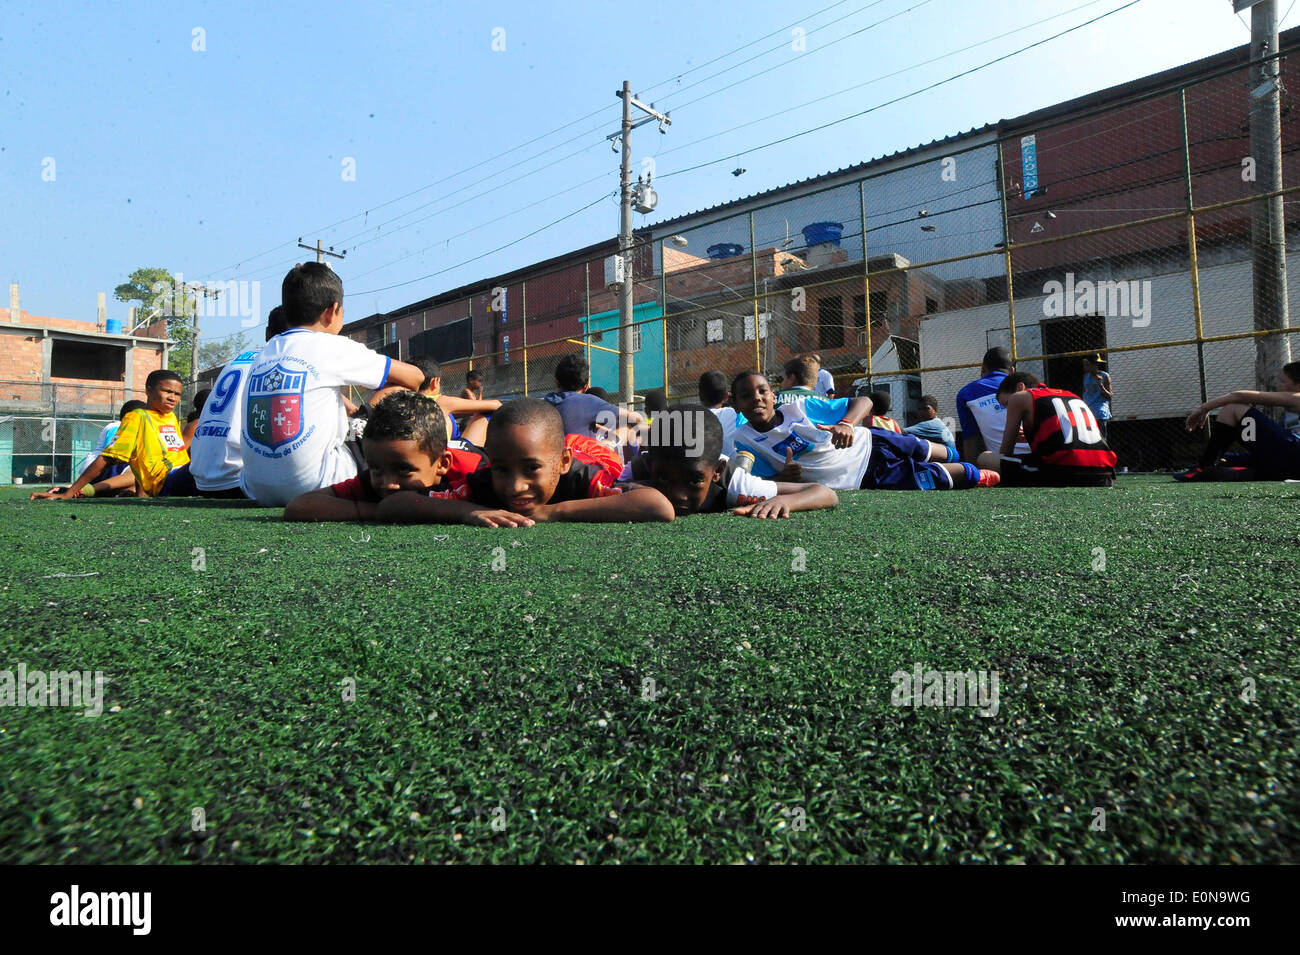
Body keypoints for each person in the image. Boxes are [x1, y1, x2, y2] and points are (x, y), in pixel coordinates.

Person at [239, 263, 425, 507]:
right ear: (332, 311)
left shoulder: (262, 354)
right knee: (393, 393)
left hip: (257, 490)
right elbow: (415, 378)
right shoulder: (331, 346)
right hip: (319, 485)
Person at [376, 398, 674, 525]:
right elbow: (392, 504)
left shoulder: (584, 478)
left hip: (594, 452)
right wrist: (467, 512)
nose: (516, 486)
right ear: (490, 461)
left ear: (563, 463)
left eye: (531, 469)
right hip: (558, 449)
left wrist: (553, 512)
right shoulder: (483, 483)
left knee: (610, 447)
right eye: (502, 469)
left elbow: (658, 506)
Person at [731, 371, 995, 491]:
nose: (756, 398)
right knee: (955, 475)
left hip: (872, 441)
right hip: (861, 475)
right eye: (746, 396)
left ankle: (961, 458)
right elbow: (758, 484)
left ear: (773, 396)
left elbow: (866, 402)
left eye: (762, 391)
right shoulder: (744, 442)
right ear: (737, 405)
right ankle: (976, 473)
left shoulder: (801, 408)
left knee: (931, 450)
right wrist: (782, 475)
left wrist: (846, 423)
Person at [285, 391, 486, 521]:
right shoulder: (385, 466)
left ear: (442, 464)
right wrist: (382, 511)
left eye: (404, 470)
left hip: (466, 449)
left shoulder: (477, 472)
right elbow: (299, 506)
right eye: (375, 469)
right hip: (439, 447)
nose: (388, 484)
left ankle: (483, 414)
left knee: (478, 430)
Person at [163, 307, 290, 498]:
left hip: (200, 475)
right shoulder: (279, 364)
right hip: (237, 478)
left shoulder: (239, 359)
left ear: (267, 333)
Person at [635, 402, 837, 518]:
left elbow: (825, 493)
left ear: (717, 471)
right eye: (663, 478)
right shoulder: (636, 470)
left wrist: (786, 501)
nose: (679, 495)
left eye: (694, 481)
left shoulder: (735, 484)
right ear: (648, 464)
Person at [31, 370, 189, 500]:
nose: (173, 398)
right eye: (167, 391)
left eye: (177, 394)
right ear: (148, 390)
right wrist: (69, 493)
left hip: (179, 475)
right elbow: (106, 458)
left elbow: (149, 460)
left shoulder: (171, 417)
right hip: (173, 478)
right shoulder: (137, 417)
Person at [1176, 361, 1300, 481]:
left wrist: (1203, 408)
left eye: (1284, 382)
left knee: (1233, 408)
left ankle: (1205, 468)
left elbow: (1239, 396)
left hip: (1294, 454)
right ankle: (1249, 472)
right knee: (1224, 459)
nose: (1279, 385)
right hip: (1288, 460)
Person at [993, 372, 1117, 486]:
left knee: (986, 458)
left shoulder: (1019, 397)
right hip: (1105, 473)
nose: (1008, 409)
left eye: (1006, 403)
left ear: (1020, 387)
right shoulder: (1071, 395)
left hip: (1063, 472)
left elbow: (1005, 452)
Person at [955, 346, 1030, 468]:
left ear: (982, 369)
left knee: (984, 457)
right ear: (1012, 371)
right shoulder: (1030, 387)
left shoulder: (966, 393)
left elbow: (971, 440)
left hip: (1004, 466)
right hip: (1043, 459)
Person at [544, 353, 641, 443]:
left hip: (551, 457)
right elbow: (637, 418)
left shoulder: (545, 401)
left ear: (556, 381)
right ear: (586, 386)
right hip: (581, 458)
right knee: (625, 429)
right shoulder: (588, 401)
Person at [412, 355, 499, 447]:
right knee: (486, 413)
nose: (480, 383)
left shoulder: (404, 401)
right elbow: (495, 404)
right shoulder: (440, 400)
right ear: (435, 382)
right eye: (479, 381)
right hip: (450, 453)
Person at [698, 370, 744, 457]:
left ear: (700, 396)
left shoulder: (692, 417)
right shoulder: (732, 413)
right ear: (726, 396)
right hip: (732, 465)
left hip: (704, 466)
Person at [905, 395, 958, 460]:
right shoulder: (938, 422)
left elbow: (901, 431)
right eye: (919, 409)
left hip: (947, 462)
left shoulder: (931, 425)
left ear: (935, 410)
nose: (922, 412)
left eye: (926, 408)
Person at [1081, 354, 1113, 441]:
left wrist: (1100, 385)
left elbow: (1109, 396)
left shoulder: (1104, 376)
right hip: (1087, 412)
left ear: (1094, 365)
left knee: (1101, 440)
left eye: (1087, 364)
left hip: (1099, 413)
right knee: (1089, 440)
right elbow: (1085, 394)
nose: (1084, 366)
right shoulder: (1085, 377)